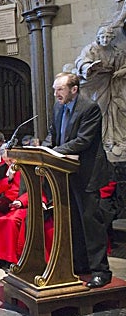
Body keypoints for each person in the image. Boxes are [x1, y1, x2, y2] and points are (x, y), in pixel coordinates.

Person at [43, 72, 113, 288]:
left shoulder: (89, 108)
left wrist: (53, 152)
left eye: (60, 89)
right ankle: (80, 265)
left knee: (91, 223)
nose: (56, 94)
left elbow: (83, 140)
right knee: (73, 222)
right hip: (65, 174)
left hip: (87, 173)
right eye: (55, 89)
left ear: (74, 89)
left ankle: (101, 271)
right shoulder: (57, 107)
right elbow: (53, 134)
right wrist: (44, 148)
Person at [74, 26, 126, 158]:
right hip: (91, 82)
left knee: (103, 110)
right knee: (90, 110)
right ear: (98, 37)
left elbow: (121, 65)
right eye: (103, 37)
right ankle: (89, 139)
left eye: (108, 37)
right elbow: (81, 61)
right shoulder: (91, 49)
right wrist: (88, 67)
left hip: (106, 82)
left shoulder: (115, 52)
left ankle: (103, 139)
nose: (105, 39)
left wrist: (120, 71)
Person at [0, 150, 27, 271]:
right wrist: (9, 178)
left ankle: (10, 259)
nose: (9, 163)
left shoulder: (26, 168)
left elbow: (34, 190)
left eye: (11, 160)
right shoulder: (2, 169)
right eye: (6, 161)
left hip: (21, 203)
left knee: (11, 220)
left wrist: (21, 201)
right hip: (6, 202)